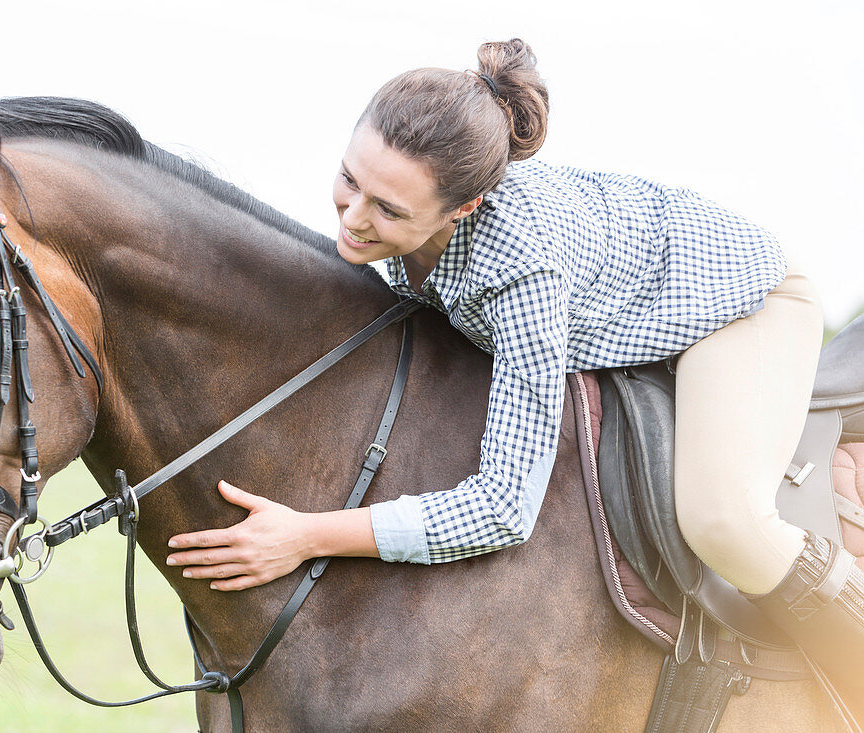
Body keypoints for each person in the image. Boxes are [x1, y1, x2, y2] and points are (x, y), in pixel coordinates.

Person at [165, 39, 862, 718]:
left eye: (389, 210)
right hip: (631, 294)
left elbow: (503, 507)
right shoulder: (396, 224)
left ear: (461, 209)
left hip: (741, 302)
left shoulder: (517, 266)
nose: (352, 219)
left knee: (724, 519)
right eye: (351, 180)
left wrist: (309, 533)